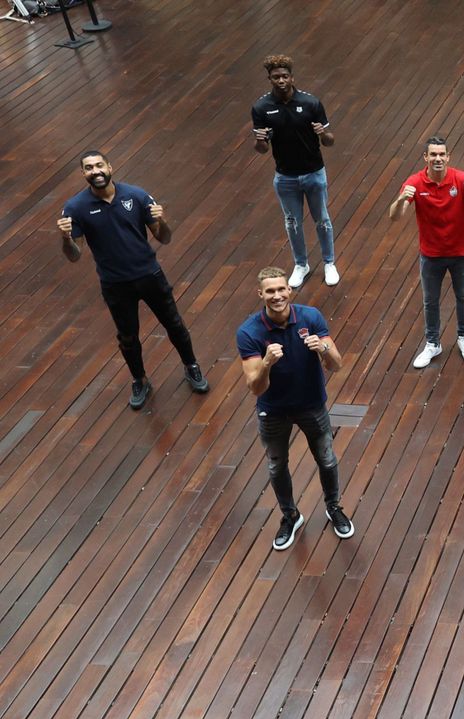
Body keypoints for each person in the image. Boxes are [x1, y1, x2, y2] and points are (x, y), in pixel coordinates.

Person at [58, 150, 209, 410]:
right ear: (83, 173)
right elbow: (74, 255)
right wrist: (65, 238)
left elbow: (164, 238)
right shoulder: (75, 208)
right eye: (89, 168)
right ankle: (140, 380)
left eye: (99, 165)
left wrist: (161, 220)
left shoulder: (137, 196)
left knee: (174, 324)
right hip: (115, 284)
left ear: (110, 167)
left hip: (149, 275)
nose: (95, 171)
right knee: (127, 337)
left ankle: (191, 365)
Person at [236, 266, 354, 550]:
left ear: (289, 290)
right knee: (277, 466)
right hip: (273, 410)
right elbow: (255, 387)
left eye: (281, 289)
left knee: (327, 459)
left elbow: (337, 365)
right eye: (270, 291)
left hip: (312, 404)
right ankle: (290, 515)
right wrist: (267, 363)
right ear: (261, 294)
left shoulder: (311, 317)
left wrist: (323, 349)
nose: (277, 296)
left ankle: (333, 507)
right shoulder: (249, 332)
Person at [388, 136, 464, 369]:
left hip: (460, 251)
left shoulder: (461, 179)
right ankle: (433, 343)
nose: (438, 158)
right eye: (433, 154)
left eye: (441, 154)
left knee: (463, 296)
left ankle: (463, 336)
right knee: (430, 300)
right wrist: (401, 199)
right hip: (431, 254)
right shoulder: (415, 182)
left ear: (448, 157)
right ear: (425, 157)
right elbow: (395, 215)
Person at [250, 54, 339, 289]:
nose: (281, 81)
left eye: (284, 76)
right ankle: (301, 265)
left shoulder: (311, 103)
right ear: (270, 79)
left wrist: (322, 133)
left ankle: (329, 263)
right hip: (285, 177)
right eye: (276, 77)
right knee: (292, 223)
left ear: (292, 78)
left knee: (322, 220)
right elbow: (262, 149)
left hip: (314, 173)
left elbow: (329, 141)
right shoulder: (261, 108)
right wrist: (259, 140)